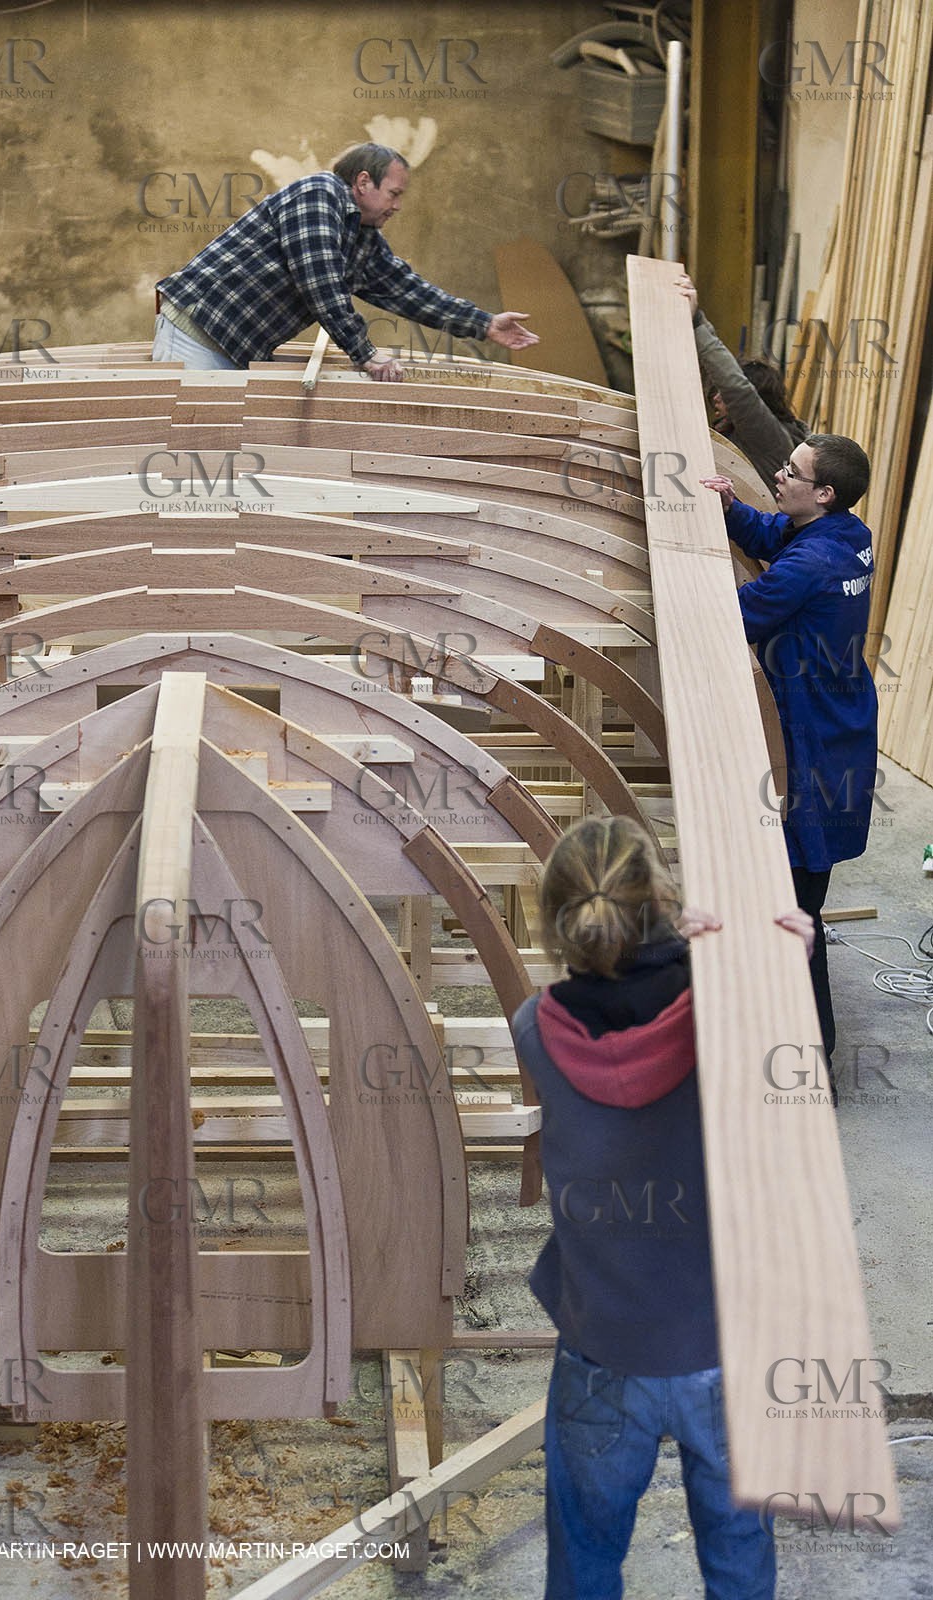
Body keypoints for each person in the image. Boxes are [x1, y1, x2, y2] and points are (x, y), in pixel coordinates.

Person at [511, 815, 814, 1599]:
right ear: (667, 902)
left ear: (557, 923)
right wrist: (777, 970)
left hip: (601, 1347)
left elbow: (618, 1014)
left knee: (583, 1559)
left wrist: (681, 953)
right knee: (739, 1557)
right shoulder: (733, 1020)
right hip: (724, 1346)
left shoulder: (532, 1033)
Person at [701, 435, 879, 1095]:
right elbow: (779, 532)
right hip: (838, 728)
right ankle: (786, 1044)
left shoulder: (809, 567)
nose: (778, 474)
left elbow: (732, 618)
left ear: (823, 492)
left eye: (791, 471)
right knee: (793, 902)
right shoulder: (845, 535)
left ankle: (813, 1066)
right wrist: (730, 514)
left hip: (816, 747)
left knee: (794, 913)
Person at [152, 142, 539, 378]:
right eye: (394, 193)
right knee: (187, 451)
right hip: (196, 336)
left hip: (233, 348)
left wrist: (483, 323)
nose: (399, 206)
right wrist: (365, 352)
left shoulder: (361, 238)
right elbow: (320, 282)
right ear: (364, 182)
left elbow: (406, 290)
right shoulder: (319, 193)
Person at [678, 272, 808, 491]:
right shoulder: (737, 432)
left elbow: (736, 387)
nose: (717, 398)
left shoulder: (767, 436)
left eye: (723, 394)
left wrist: (697, 321)